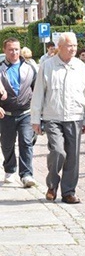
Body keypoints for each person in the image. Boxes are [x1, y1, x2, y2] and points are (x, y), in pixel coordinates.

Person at [31, 32, 85, 204]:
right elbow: (38, 93)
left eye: (75, 45)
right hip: (53, 116)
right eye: (69, 45)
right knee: (58, 151)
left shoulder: (80, 66)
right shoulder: (48, 65)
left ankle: (68, 192)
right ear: (60, 47)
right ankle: (52, 185)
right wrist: (36, 119)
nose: (73, 49)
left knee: (72, 156)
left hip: (75, 115)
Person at [0, 38, 37, 187]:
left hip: (25, 112)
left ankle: (26, 174)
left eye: (16, 49)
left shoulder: (29, 67)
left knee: (26, 142)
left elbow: (37, 89)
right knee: (7, 144)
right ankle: (9, 169)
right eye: (10, 49)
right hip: (6, 114)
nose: (14, 52)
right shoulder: (0, 69)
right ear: (5, 51)